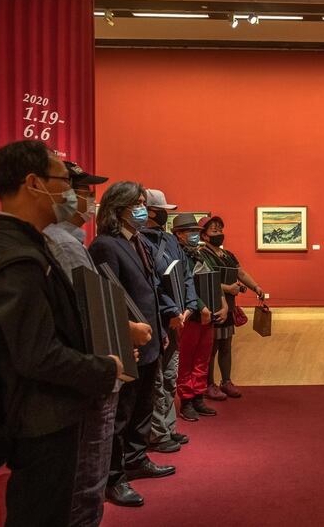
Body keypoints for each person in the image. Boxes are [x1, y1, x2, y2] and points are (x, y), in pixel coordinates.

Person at [0, 140, 124, 526]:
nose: (71, 192)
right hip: (40, 417)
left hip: (41, 412)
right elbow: (37, 353)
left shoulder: (26, 245)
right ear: (34, 183)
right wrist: (105, 368)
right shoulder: (18, 256)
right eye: (65, 181)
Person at [43, 162, 152, 525]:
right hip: (95, 363)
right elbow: (95, 305)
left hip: (112, 352)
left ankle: (129, 464)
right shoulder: (82, 244)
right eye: (80, 189)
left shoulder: (80, 241)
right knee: (87, 476)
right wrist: (123, 334)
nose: (87, 199)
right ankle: (115, 477)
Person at [89, 181, 177, 508]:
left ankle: (137, 458)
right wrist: (127, 334)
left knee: (143, 406)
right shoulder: (106, 246)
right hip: (128, 341)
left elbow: (150, 289)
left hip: (151, 336)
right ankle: (114, 477)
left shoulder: (137, 240)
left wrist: (160, 328)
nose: (142, 209)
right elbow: (108, 299)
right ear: (118, 207)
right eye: (137, 203)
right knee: (122, 413)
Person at [142, 189, 198, 452]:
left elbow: (185, 275)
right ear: (153, 211)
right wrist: (172, 310)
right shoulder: (141, 241)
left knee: (169, 377)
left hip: (178, 318)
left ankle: (169, 427)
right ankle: (157, 433)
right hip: (160, 319)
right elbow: (152, 283)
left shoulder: (170, 240)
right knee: (156, 380)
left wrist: (189, 306)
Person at [199, 215, 264, 397]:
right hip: (213, 306)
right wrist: (228, 287)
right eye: (214, 230)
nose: (219, 233)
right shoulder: (201, 255)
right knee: (211, 348)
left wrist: (255, 287)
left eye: (220, 230)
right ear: (204, 236)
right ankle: (208, 384)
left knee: (226, 346)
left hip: (229, 305)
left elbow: (240, 273)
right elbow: (204, 279)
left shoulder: (227, 254)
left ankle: (226, 381)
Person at [171, 214, 222, 420]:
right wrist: (201, 307)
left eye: (196, 232)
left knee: (203, 358)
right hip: (191, 315)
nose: (195, 235)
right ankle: (186, 400)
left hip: (208, 315)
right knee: (187, 359)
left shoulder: (200, 255)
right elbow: (185, 285)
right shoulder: (177, 256)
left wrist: (221, 305)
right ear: (179, 234)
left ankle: (198, 396)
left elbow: (212, 281)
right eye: (190, 232)